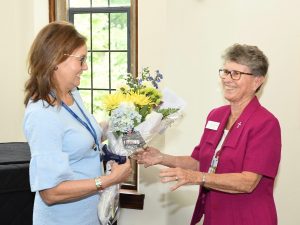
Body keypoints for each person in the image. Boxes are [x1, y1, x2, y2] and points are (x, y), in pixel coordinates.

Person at [136, 44, 281, 225]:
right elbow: (199, 162)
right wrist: (161, 157)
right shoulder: (216, 115)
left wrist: (197, 178)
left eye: (236, 73)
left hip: (247, 217)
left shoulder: (265, 123)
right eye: (225, 72)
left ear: (257, 81)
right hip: (215, 215)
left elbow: (247, 182)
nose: (227, 79)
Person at [23, 21, 132, 225]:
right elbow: (50, 192)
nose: (85, 67)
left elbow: (83, 138)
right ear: (56, 60)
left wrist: (122, 124)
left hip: (90, 215)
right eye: (81, 60)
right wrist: (109, 180)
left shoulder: (72, 94)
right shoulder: (42, 114)